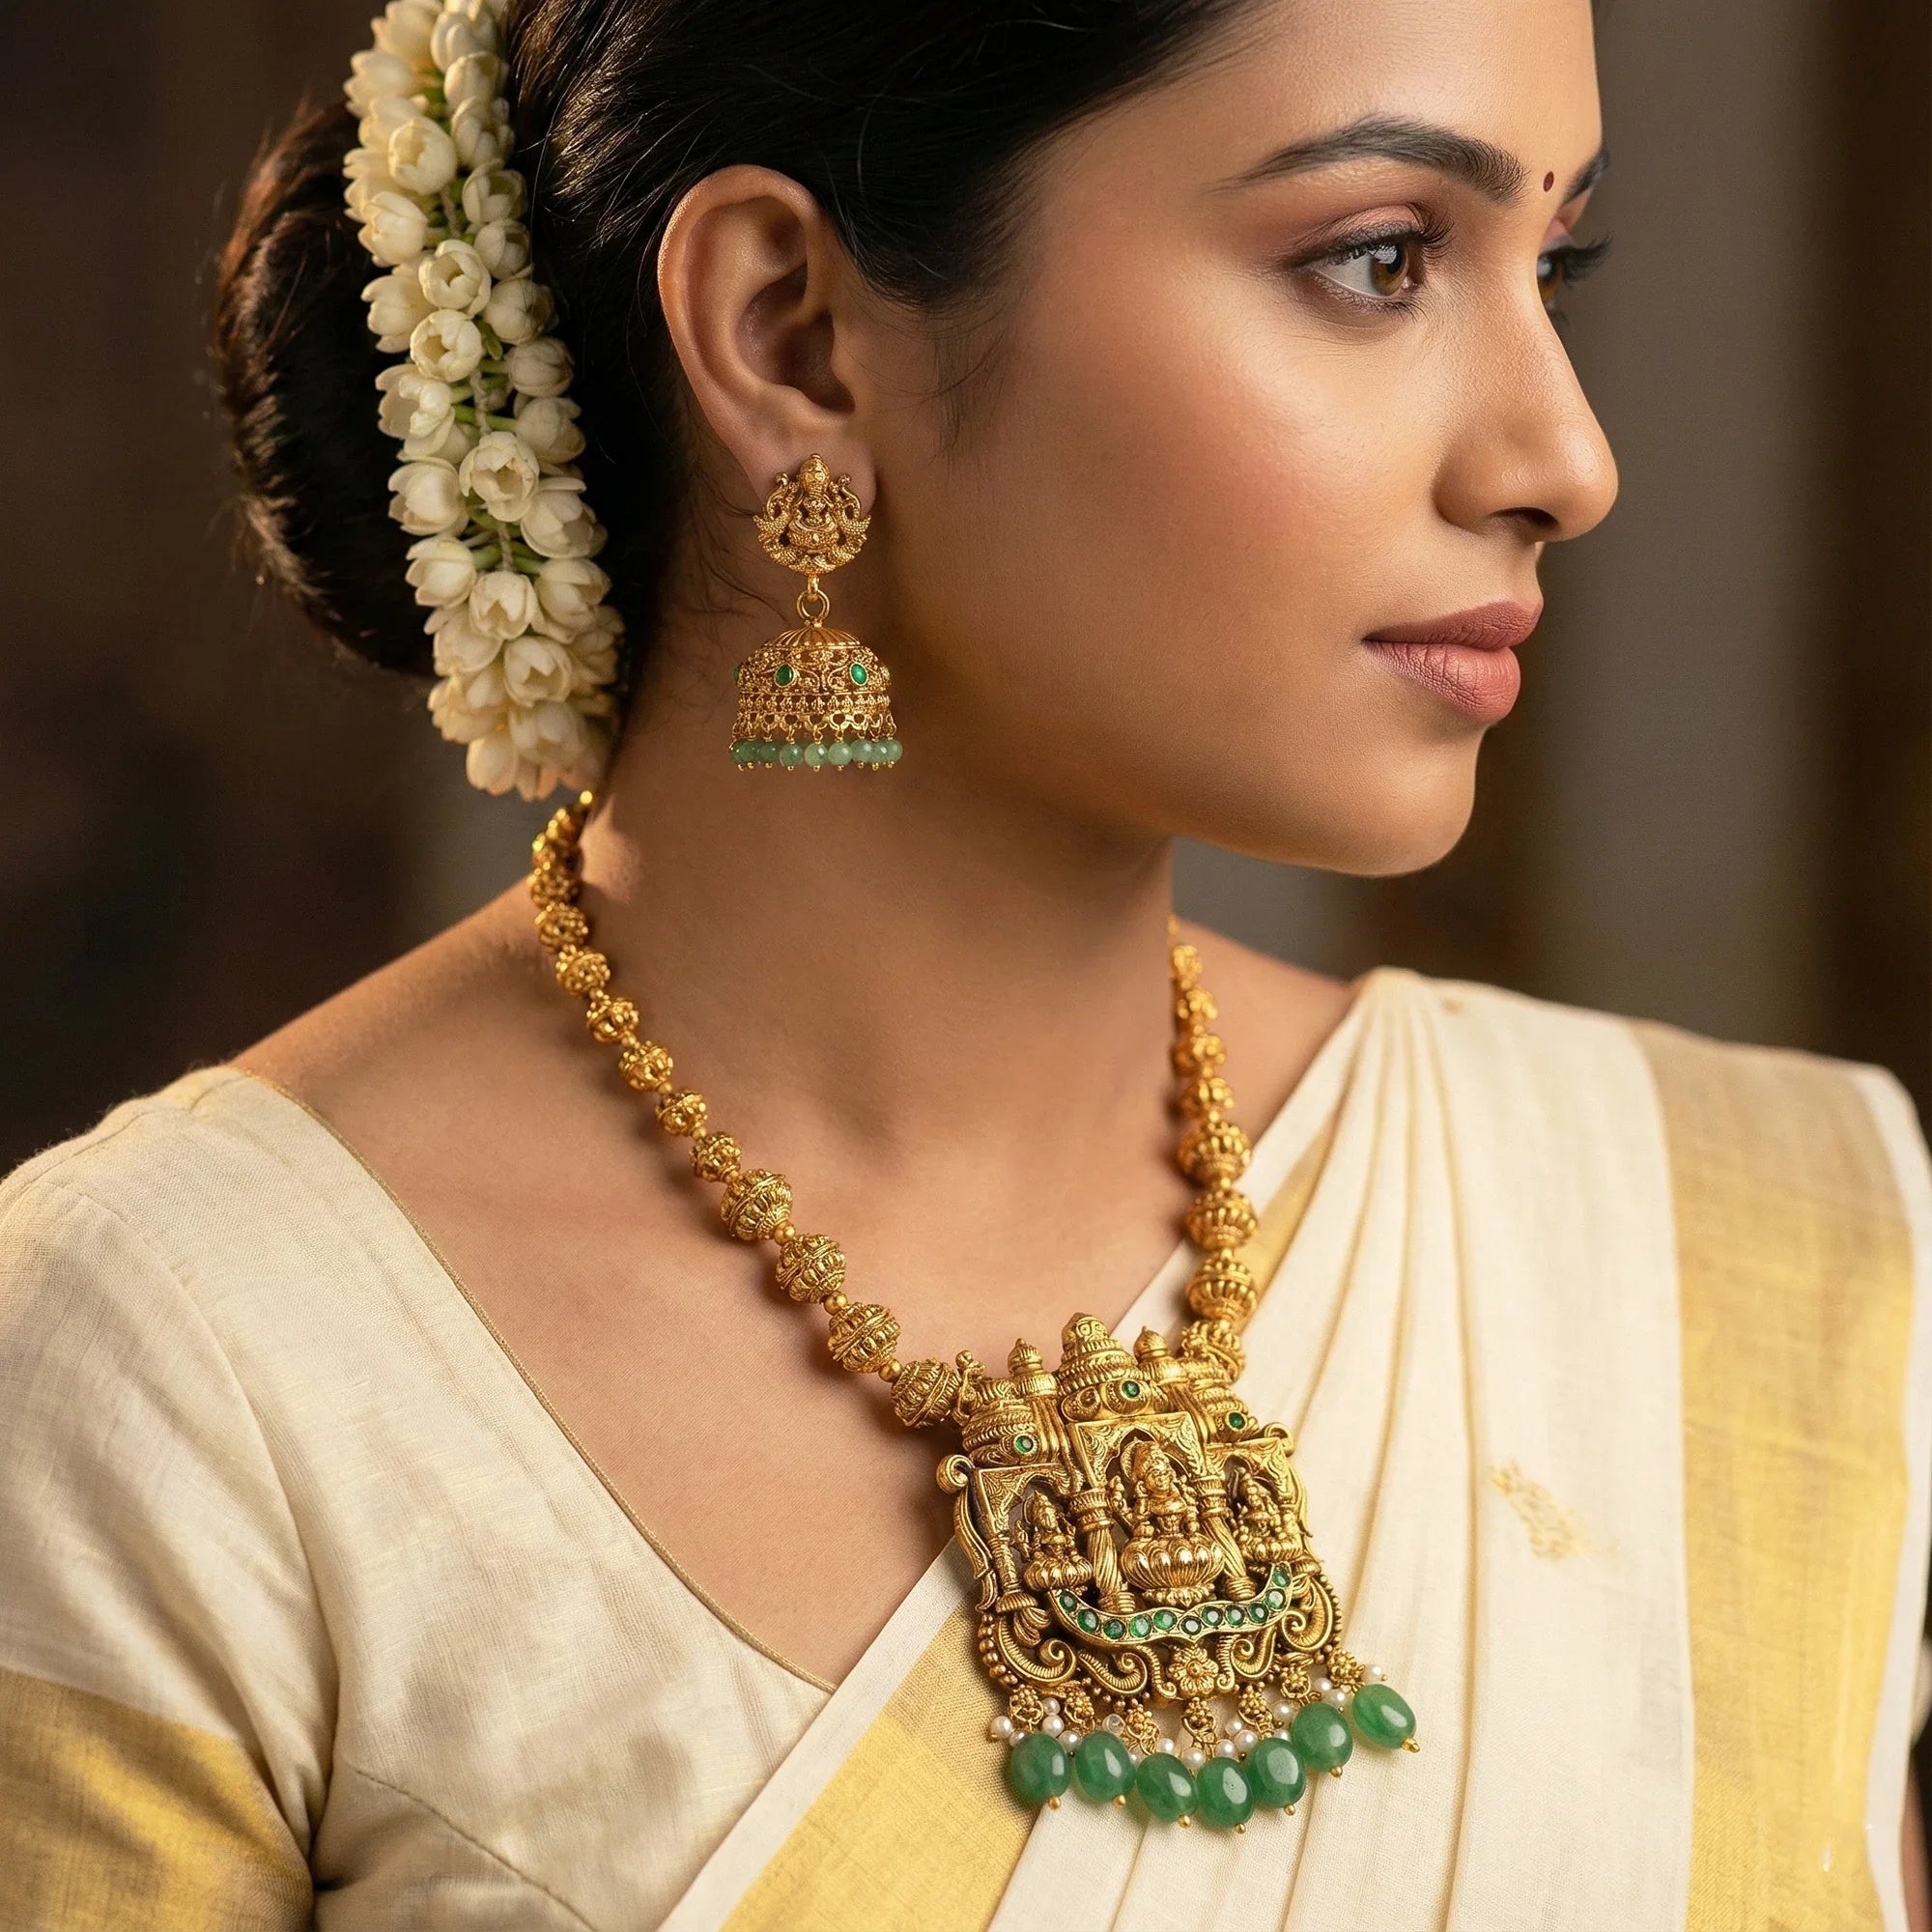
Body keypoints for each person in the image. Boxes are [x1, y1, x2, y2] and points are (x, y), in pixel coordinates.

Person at [2, 0, 1927, 1924]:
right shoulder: (177, 1374)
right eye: (1378, 261)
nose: (1560, 458)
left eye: (1553, 262)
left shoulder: (1765, 1244)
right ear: (792, 333)